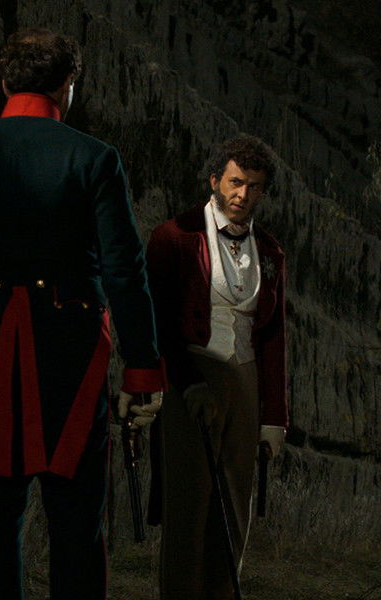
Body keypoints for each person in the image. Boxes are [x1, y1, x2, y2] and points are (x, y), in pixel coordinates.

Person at [0, 28, 165, 600]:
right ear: (68, 85)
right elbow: (123, 271)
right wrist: (142, 370)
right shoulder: (95, 158)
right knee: (76, 521)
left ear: (4, 83)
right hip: (70, 355)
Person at [146, 136, 288, 599]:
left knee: (234, 506)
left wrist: (274, 417)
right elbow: (159, 320)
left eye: (254, 186)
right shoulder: (174, 236)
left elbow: (273, 336)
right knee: (187, 504)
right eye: (235, 182)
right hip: (194, 374)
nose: (243, 194)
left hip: (245, 378)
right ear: (214, 181)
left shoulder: (270, 251)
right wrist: (185, 382)